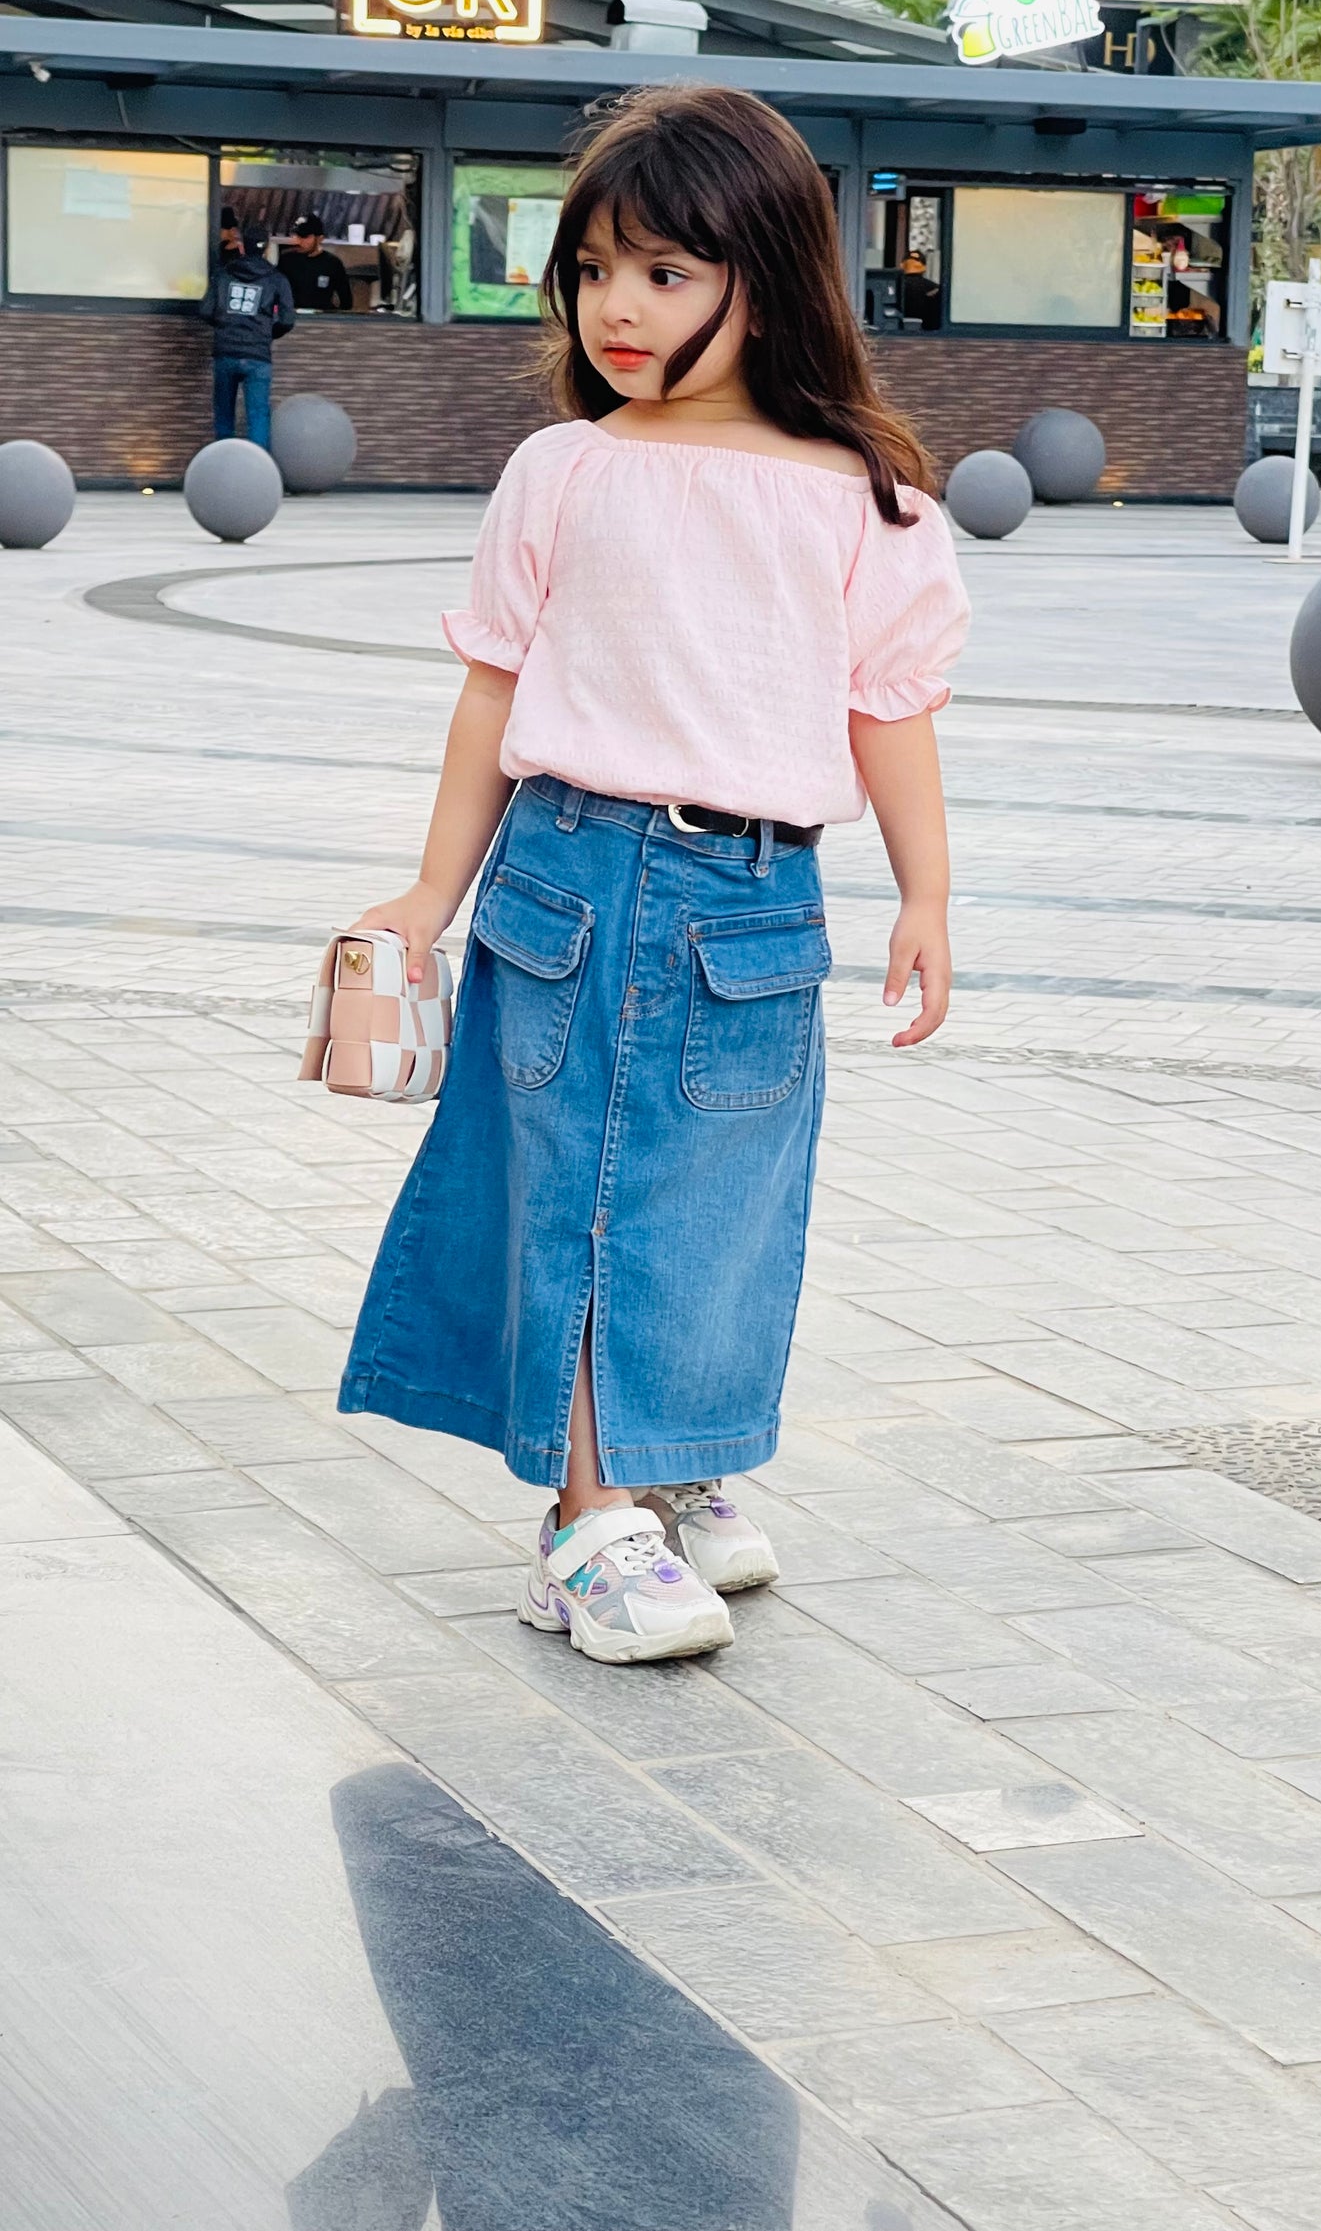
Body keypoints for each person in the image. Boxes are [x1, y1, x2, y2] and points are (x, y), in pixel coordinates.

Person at [336, 85, 969, 1666]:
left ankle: (670, 1471)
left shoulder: (868, 496)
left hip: (760, 903)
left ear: (769, 278)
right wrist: (429, 893)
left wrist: (927, 898)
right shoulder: (564, 470)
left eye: (668, 273)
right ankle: (582, 1526)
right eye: (595, 268)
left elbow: (889, 710)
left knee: (721, 1206)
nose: (619, 306)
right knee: (583, 1202)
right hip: (575, 877)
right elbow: (493, 687)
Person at [198, 227, 294, 453]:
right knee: (258, 416)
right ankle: (259, 475)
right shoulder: (276, 279)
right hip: (258, 356)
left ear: (241, 246)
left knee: (224, 415)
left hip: (226, 352)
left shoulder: (223, 274)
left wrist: (225, 326)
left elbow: (205, 310)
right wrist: (267, 334)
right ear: (267, 248)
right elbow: (288, 319)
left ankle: (222, 468)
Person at [280, 212, 353, 312]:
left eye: (305, 237)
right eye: (297, 236)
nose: (299, 241)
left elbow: (346, 301)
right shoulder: (286, 260)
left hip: (321, 319)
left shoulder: (332, 263)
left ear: (320, 239)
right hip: (292, 317)